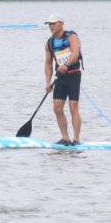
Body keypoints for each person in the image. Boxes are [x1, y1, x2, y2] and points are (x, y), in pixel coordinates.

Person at [43, 14, 83, 145]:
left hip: (73, 75)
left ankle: (76, 139)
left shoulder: (72, 37)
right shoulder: (49, 43)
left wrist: (66, 65)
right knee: (57, 109)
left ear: (61, 24)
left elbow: (75, 53)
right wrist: (48, 82)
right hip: (60, 77)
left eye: (54, 23)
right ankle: (65, 138)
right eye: (50, 24)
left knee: (73, 107)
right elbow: (48, 63)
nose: (51, 26)